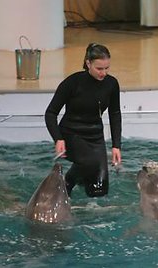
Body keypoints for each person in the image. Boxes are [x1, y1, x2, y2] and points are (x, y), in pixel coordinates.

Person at [45, 43, 122, 197]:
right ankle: (67, 183)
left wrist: (116, 145)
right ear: (88, 63)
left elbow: (115, 114)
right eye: (99, 69)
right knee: (89, 162)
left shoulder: (111, 84)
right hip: (72, 133)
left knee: (99, 189)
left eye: (107, 68)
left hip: (95, 136)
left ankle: (80, 183)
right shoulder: (73, 83)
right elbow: (50, 113)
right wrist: (58, 139)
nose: (104, 73)